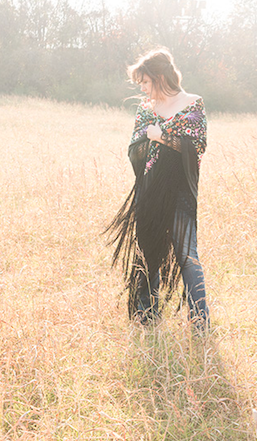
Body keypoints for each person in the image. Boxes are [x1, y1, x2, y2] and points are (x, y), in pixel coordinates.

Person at [106, 48, 210, 332]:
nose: (142, 88)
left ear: (160, 77)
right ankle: (147, 314)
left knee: (187, 255)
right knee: (147, 251)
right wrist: (149, 139)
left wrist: (161, 136)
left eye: (145, 81)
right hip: (150, 189)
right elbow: (135, 148)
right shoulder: (146, 109)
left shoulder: (192, 104)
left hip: (180, 193)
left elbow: (197, 146)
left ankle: (200, 321)